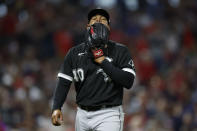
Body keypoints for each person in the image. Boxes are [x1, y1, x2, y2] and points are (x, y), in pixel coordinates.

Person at [51, 8, 136, 131]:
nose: (98, 22)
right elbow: (64, 82)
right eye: (94, 20)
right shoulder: (74, 53)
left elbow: (128, 81)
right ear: (87, 26)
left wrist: (103, 61)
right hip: (82, 114)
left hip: (108, 114)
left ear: (109, 27)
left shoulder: (120, 50)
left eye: (103, 20)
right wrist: (56, 107)